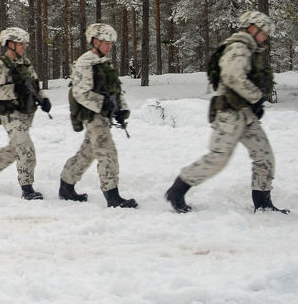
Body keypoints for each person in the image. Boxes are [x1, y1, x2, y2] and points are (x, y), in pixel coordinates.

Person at [165, 11, 286, 214]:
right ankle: (178, 189)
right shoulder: (238, 48)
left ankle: (263, 204)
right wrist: (257, 96)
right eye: (264, 32)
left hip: (245, 114)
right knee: (218, 158)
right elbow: (232, 77)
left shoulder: (248, 49)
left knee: (264, 156)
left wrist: (254, 102)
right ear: (253, 29)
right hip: (230, 115)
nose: (266, 37)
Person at [60, 23, 137, 208]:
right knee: (107, 153)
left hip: (103, 115)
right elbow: (81, 93)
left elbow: (115, 89)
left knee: (87, 153)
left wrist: (121, 109)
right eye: (105, 42)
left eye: (111, 43)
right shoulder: (85, 62)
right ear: (95, 41)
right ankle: (112, 196)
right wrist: (104, 105)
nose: (109, 46)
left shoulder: (103, 61)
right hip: (93, 116)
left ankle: (66, 185)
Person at [0, 27, 49, 200]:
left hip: (25, 112)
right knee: (25, 149)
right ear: (10, 44)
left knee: (15, 149)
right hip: (10, 113)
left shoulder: (25, 63)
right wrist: (16, 89)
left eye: (25, 44)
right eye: (21, 44)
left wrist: (43, 99)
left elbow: (34, 85)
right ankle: (27, 188)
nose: (24, 47)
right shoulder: (0, 64)